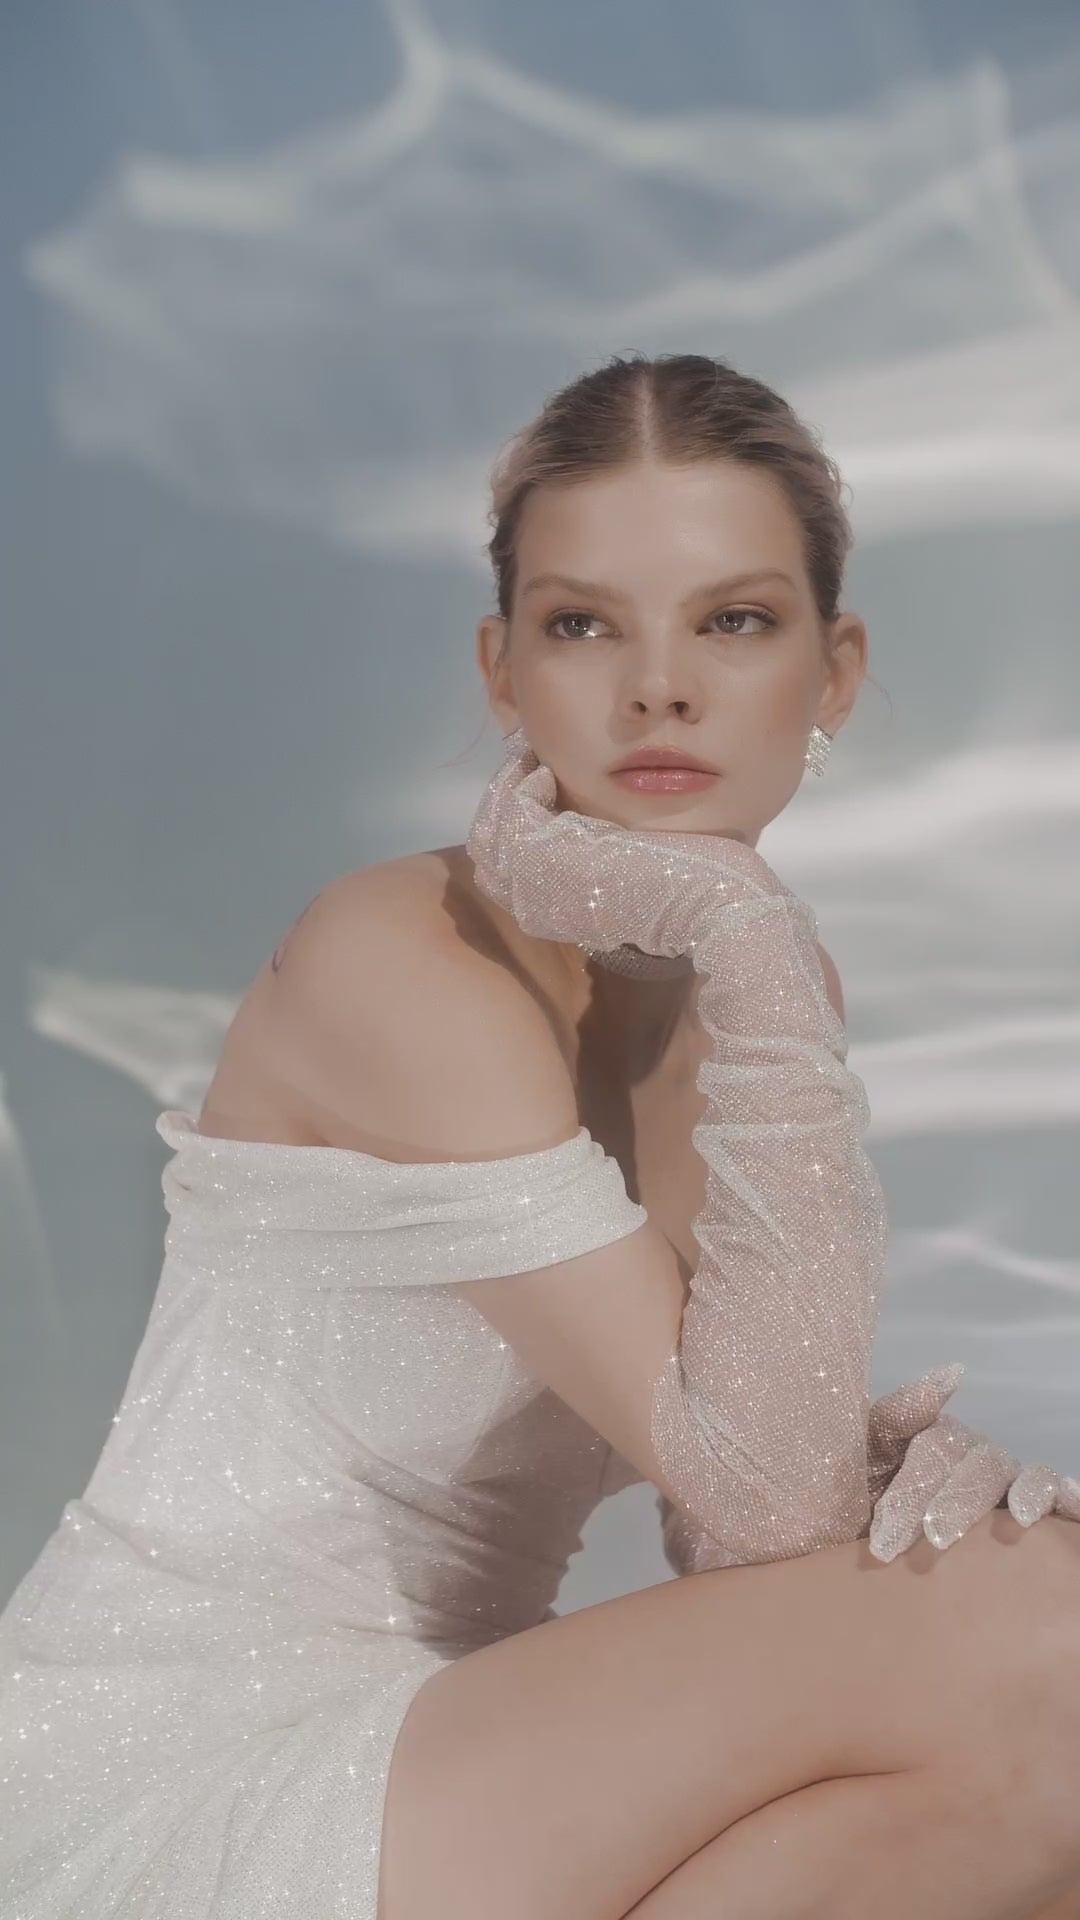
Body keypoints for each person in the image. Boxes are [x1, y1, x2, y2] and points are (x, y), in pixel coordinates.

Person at [2, 352, 1079, 1920]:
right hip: (180, 1763)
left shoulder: (738, 1006)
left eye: (734, 621)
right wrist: (751, 929)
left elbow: (748, 1534)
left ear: (834, 672)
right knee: (1041, 1636)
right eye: (584, 626)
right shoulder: (407, 956)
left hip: (468, 1763)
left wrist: (903, 1487)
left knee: (1035, 1780)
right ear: (502, 673)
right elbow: (763, 1504)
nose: (660, 688)